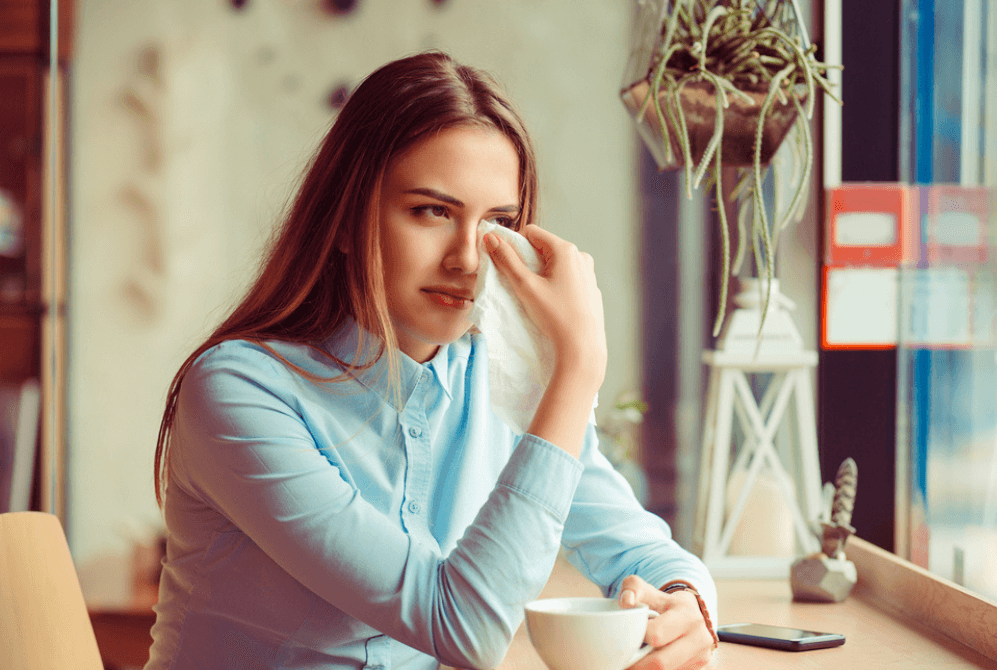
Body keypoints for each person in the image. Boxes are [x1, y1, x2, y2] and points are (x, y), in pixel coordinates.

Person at [145, 50, 718, 670]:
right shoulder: (238, 390)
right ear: (345, 219)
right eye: (431, 212)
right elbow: (464, 629)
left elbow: (641, 552)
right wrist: (578, 365)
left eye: (498, 221)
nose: (469, 259)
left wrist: (688, 606)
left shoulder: (502, 376)